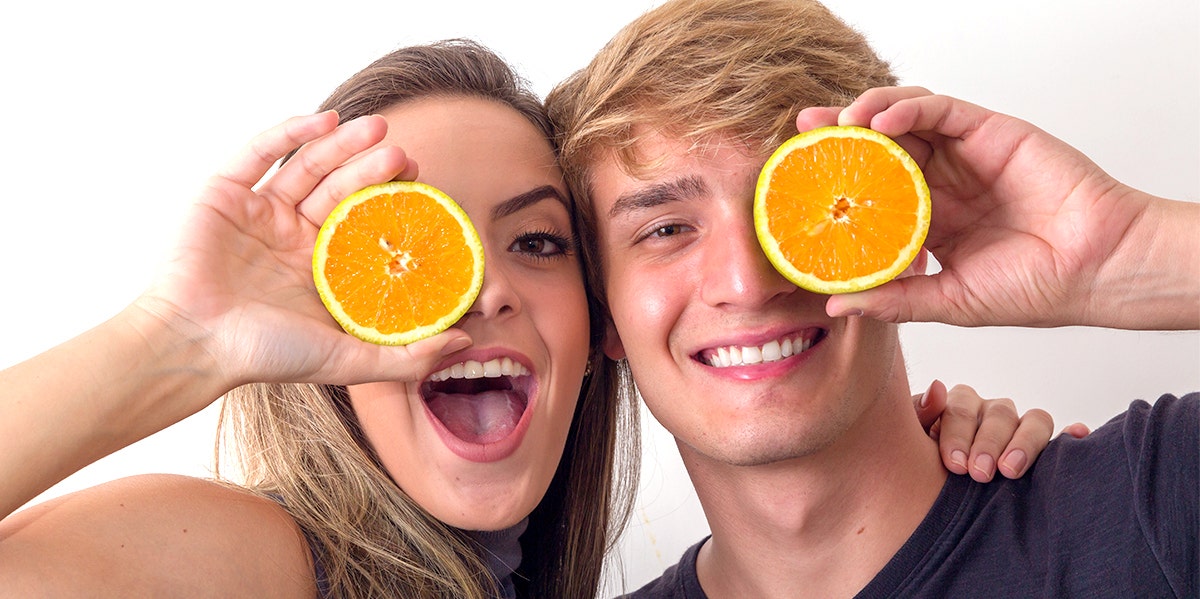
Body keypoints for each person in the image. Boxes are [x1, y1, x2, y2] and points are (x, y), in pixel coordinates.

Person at [0, 39, 1059, 598]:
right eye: (410, 254)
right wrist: (170, 338)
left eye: (538, 240)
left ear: (602, 326)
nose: (483, 288)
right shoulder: (260, 558)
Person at [544, 0, 1199, 597]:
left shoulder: (1155, 504)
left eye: (803, 210)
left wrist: (1121, 257)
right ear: (606, 313)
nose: (748, 283)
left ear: (899, 234)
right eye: (665, 229)